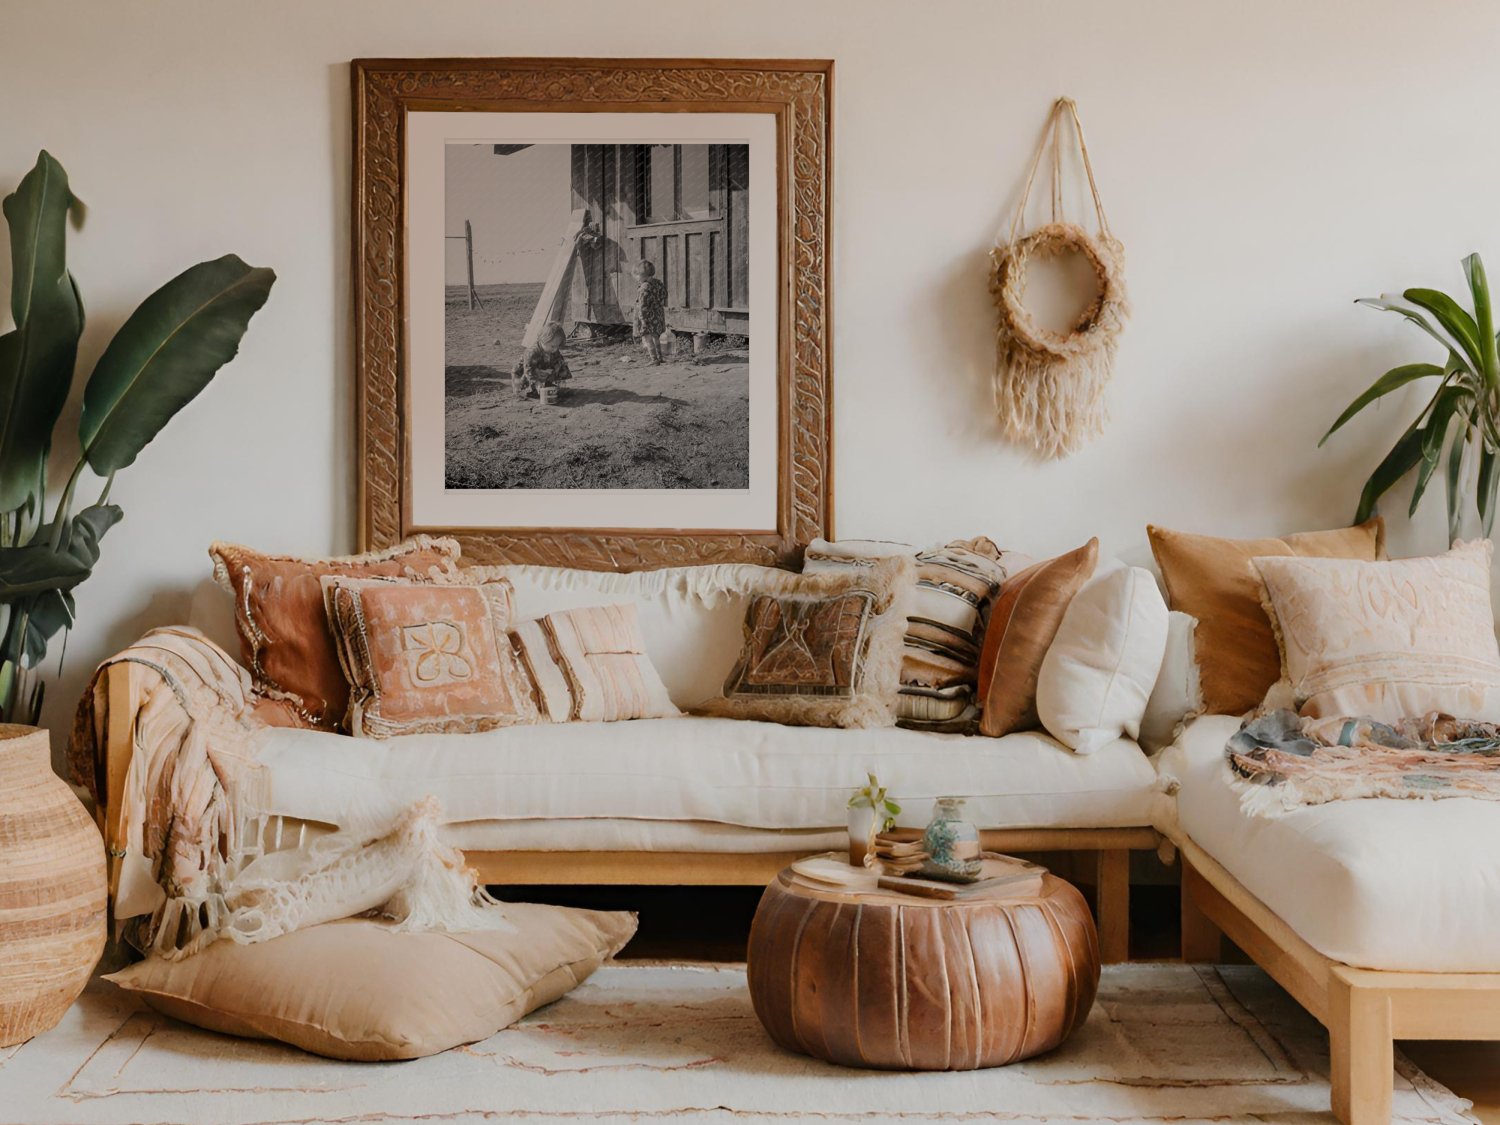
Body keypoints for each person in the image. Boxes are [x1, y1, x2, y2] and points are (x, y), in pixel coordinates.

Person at [512, 321, 571, 397]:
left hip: (540, 372)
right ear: (543, 340)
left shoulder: (553, 350)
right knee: (526, 391)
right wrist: (537, 380)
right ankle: (530, 389)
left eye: (557, 346)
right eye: (552, 346)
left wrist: (562, 380)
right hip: (525, 374)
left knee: (559, 362)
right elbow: (528, 372)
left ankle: (545, 386)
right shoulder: (532, 352)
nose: (555, 349)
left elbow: (561, 363)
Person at [632, 258, 667, 365]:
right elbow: (665, 295)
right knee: (656, 336)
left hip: (647, 316)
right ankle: (660, 357)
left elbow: (642, 306)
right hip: (658, 315)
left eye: (637, 275)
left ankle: (654, 359)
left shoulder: (644, 288)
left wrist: (642, 320)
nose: (636, 278)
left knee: (648, 338)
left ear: (643, 275)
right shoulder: (658, 283)